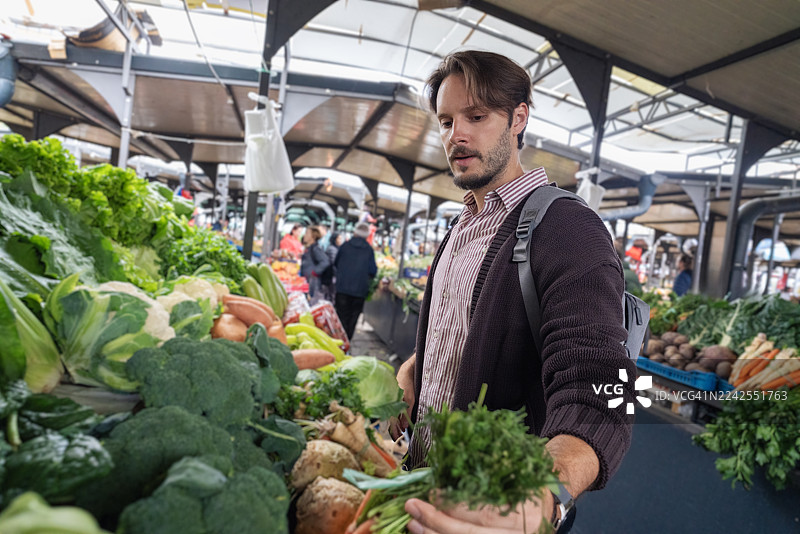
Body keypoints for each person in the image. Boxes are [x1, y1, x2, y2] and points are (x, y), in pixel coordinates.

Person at [390, 50, 635, 534]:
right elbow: (469, 335)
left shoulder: (568, 228)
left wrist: (543, 494)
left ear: (518, 117)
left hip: (492, 515)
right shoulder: (461, 228)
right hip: (420, 491)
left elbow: (605, 389)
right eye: (445, 121)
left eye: (476, 117)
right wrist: (414, 369)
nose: (455, 135)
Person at [334, 222, 377, 340]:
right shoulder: (369, 250)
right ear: (367, 235)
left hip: (342, 289)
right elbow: (373, 271)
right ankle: (347, 342)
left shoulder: (345, 246)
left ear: (355, 232)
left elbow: (336, 263)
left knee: (342, 317)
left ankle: (339, 342)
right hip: (359, 291)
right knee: (353, 319)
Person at [300, 226, 330, 303]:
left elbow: (325, 261)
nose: (305, 235)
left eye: (307, 233)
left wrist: (315, 272)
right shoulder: (310, 248)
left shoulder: (315, 249)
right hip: (309, 281)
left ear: (313, 237)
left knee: (311, 302)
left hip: (313, 283)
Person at [320, 231, 342, 302]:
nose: (340, 241)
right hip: (331, 276)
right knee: (331, 295)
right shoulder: (332, 249)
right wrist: (337, 274)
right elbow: (334, 262)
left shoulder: (335, 248)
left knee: (330, 294)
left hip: (331, 276)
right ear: (335, 239)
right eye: (339, 239)